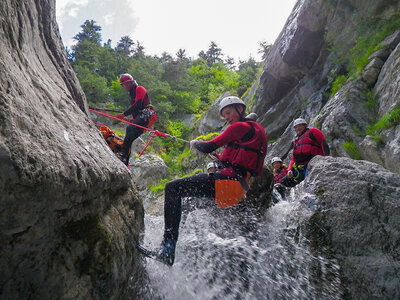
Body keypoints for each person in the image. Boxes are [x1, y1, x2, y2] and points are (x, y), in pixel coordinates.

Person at [157, 96, 268, 266]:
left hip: (227, 183)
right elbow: (230, 159)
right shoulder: (251, 131)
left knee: (172, 188)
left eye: (229, 113)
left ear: (240, 109)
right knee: (187, 203)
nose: (227, 118)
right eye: (224, 115)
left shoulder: (240, 127)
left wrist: (196, 143)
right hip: (235, 189)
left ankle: (168, 247)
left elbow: (208, 146)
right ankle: (181, 244)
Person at [115, 74, 156, 165]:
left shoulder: (139, 89)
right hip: (143, 116)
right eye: (123, 85)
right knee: (131, 138)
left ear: (130, 83)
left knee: (129, 128)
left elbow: (137, 105)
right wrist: (131, 120)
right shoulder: (131, 94)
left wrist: (123, 114)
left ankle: (123, 153)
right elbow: (136, 111)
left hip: (147, 114)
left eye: (125, 84)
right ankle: (125, 160)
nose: (124, 86)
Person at [281, 118, 330, 187]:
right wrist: (290, 170)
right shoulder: (296, 140)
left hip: (313, 165)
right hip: (300, 169)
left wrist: (327, 158)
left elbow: (323, 143)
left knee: (310, 185)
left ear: (305, 126)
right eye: (296, 127)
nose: (298, 128)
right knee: (284, 182)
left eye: (300, 126)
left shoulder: (313, 131)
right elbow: (293, 158)